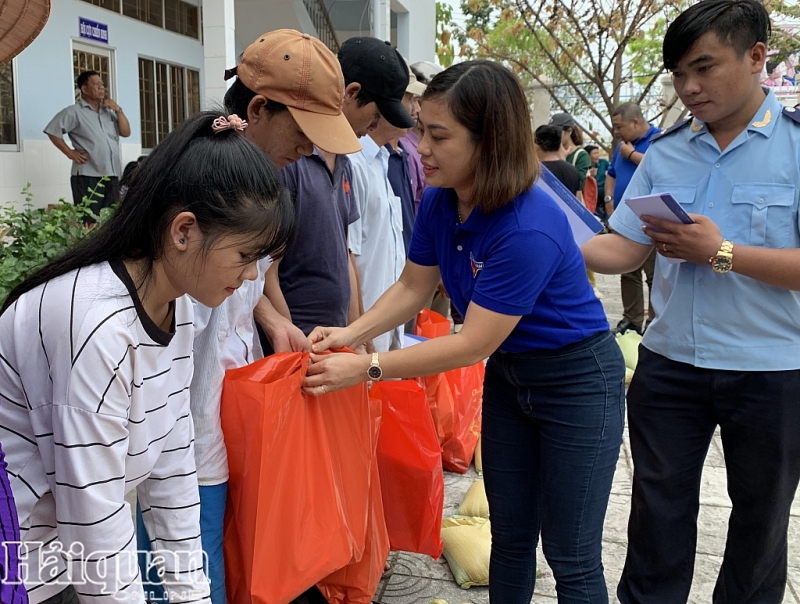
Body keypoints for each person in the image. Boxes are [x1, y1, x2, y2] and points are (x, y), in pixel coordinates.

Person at [303, 60, 625, 604]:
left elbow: (473, 342)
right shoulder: (440, 199)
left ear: (490, 141)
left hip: (577, 383)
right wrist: (349, 333)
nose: (420, 146)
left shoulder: (529, 224)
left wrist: (369, 366)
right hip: (511, 379)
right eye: (420, 129)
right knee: (512, 536)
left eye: (438, 135)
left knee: (571, 553)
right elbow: (411, 286)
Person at [0, 110, 294, 604]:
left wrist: (192, 594)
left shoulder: (175, 305)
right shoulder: (97, 327)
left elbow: (173, 467)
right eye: (245, 256)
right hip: (25, 555)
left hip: (62, 549)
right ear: (183, 231)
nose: (251, 278)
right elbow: (95, 526)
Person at [582, 1, 800, 601]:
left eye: (703, 68)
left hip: (772, 369)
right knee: (656, 513)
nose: (689, 88)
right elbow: (623, 251)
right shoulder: (669, 151)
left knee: (761, 521)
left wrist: (720, 250)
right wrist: (550, 242)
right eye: (679, 73)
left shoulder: (796, 149)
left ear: (757, 56)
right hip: (671, 362)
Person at [133, 29, 360, 604]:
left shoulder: (254, 191)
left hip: (225, 419)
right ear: (258, 109)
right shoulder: (202, 196)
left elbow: (245, 286)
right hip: (183, 443)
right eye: (303, 133)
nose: (310, 150)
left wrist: (275, 322)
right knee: (185, 569)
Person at [259, 36, 415, 354]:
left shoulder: (343, 160)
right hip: (296, 343)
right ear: (352, 93)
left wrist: (357, 332)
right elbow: (265, 268)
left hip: (333, 342)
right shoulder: (290, 157)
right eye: (376, 114)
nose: (376, 125)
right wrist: (291, 341)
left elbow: (346, 254)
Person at [349, 114, 409, 352]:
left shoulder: (383, 159)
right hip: (366, 329)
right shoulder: (354, 164)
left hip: (386, 324)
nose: (412, 112)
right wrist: (359, 328)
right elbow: (348, 254)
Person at [606, 102, 661, 334]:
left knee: (654, 275)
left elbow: (658, 169)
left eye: (620, 126)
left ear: (635, 122)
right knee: (627, 272)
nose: (617, 132)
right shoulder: (621, 146)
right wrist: (608, 201)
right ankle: (632, 319)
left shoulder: (660, 141)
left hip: (650, 220)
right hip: (623, 219)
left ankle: (654, 322)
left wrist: (633, 155)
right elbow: (611, 173)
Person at [44, 71, 131, 215]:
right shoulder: (74, 112)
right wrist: (70, 153)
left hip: (113, 174)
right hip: (88, 176)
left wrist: (118, 110)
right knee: (88, 220)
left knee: (111, 219)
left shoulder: (109, 113)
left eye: (102, 84)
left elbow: (126, 132)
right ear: (84, 89)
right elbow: (53, 131)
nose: (102, 87)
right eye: (97, 84)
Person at [534, 124, 582, 194]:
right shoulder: (573, 171)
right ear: (559, 144)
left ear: (537, 144)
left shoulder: (534, 171)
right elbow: (578, 200)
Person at [585, 144, 610, 222]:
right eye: (594, 153)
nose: (597, 156)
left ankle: (607, 221)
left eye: (598, 153)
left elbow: (612, 172)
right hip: (591, 190)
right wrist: (589, 175)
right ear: (588, 155)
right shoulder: (585, 166)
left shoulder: (603, 162)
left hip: (603, 189)